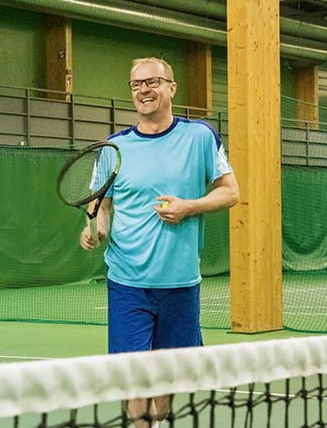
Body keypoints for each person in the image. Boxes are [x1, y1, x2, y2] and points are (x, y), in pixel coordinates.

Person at [80, 57, 239, 428]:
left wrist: (190, 207)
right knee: (135, 375)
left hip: (180, 283)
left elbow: (230, 193)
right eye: (136, 85)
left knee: (168, 377)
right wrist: (96, 227)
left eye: (152, 82)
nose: (144, 91)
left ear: (172, 87)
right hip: (128, 283)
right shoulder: (113, 148)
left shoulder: (200, 137)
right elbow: (100, 204)